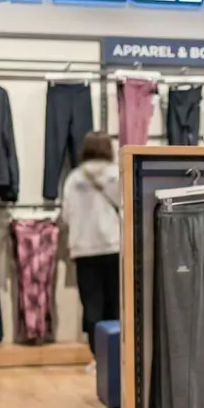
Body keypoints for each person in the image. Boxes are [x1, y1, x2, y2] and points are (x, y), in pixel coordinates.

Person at [60, 131, 121, 361]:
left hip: (84, 249)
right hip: (113, 246)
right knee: (116, 303)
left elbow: (66, 215)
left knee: (92, 305)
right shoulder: (116, 175)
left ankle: (99, 358)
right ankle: (117, 356)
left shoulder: (74, 178)